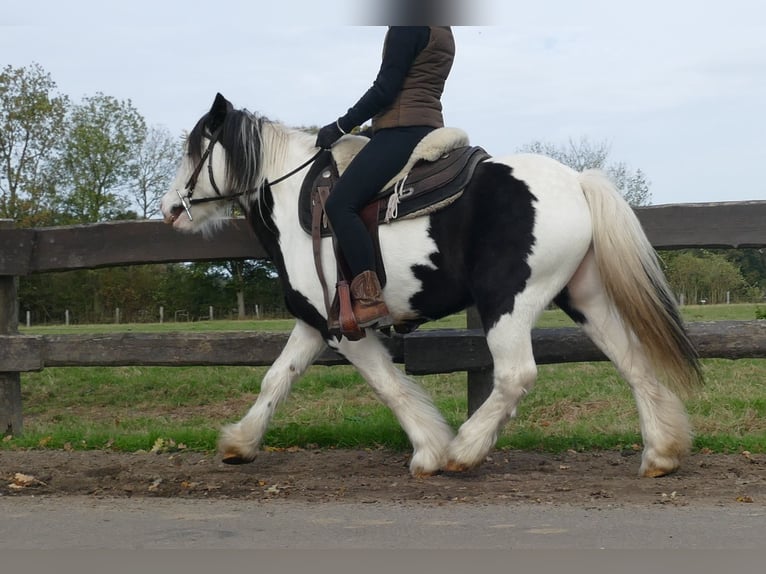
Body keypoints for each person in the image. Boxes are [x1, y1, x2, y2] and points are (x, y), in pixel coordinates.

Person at [315, 26, 455, 330]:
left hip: (403, 130)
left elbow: (385, 88)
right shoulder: (442, 28)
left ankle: (368, 299)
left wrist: (340, 126)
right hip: (425, 126)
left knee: (340, 204)